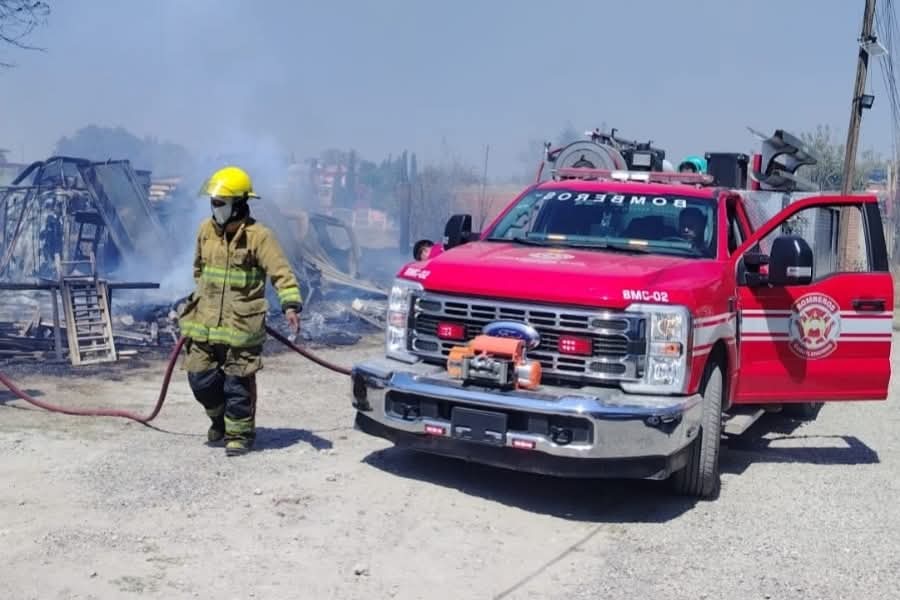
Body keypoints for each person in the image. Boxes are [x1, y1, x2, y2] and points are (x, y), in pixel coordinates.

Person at [177, 166, 302, 457]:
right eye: (213, 202)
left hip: (241, 326)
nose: (214, 207)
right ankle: (219, 420)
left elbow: (281, 272)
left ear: (238, 204)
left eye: (220, 203)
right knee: (200, 378)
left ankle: (239, 435)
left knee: (238, 384)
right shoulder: (205, 231)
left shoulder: (259, 237)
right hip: (204, 323)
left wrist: (290, 304)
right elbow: (199, 270)